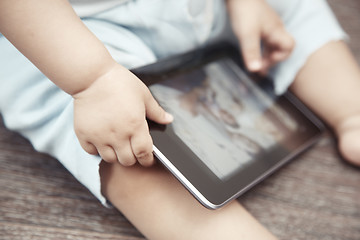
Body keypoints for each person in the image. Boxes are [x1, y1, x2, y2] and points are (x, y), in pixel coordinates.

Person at [0, 0, 359, 239]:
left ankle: (352, 110)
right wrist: (93, 80)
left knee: (294, 9)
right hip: (66, 35)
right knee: (123, 139)